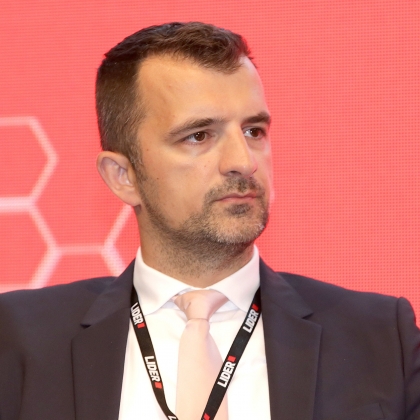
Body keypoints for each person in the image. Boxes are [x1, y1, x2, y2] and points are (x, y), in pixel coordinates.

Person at [0, 22, 419, 420]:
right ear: (123, 176)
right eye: (199, 135)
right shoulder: (19, 339)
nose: (243, 161)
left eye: (254, 131)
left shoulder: (381, 338)